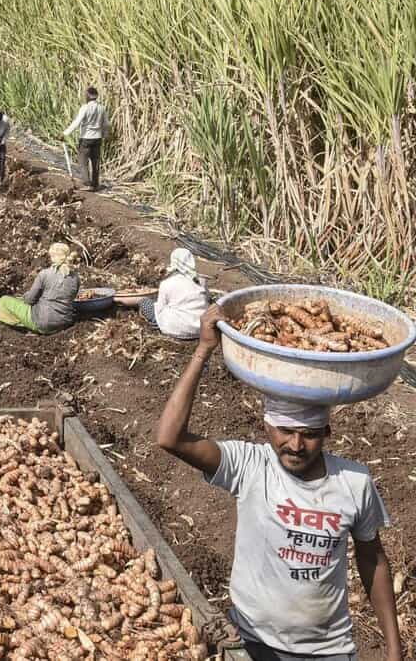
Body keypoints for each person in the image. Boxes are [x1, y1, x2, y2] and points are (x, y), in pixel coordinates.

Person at [156, 306, 402, 661]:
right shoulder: (250, 465)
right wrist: (203, 349)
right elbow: (170, 437)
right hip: (251, 641)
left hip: (327, 650)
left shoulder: (354, 481)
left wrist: (394, 650)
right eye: (285, 431)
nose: (297, 445)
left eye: (311, 434)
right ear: (267, 427)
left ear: (327, 432)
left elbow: (373, 560)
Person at [0, 242, 80, 334]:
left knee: (4, 300)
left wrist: (24, 297)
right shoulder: (75, 278)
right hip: (65, 322)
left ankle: (25, 328)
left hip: (43, 323)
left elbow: (30, 300)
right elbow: (70, 298)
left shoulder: (45, 274)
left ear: (52, 257)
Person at [136, 248, 208, 339]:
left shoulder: (167, 283)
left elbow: (160, 308)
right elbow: (206, 299)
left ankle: (158, 326)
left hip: (176, 329)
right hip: (200, 329)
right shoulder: (201, 280)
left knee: (144, 302)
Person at [62, 86, 110, 191]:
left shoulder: (85, 108)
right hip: (97, 138)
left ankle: (87, 183)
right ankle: (95, 184)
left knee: (83, 161)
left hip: (86, 138)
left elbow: (77, 122)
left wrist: (65, 134)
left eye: (86, 95)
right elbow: (106, 124)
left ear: (88, 96)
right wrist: (105, 135)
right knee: (95, 161)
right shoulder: (102, 108)